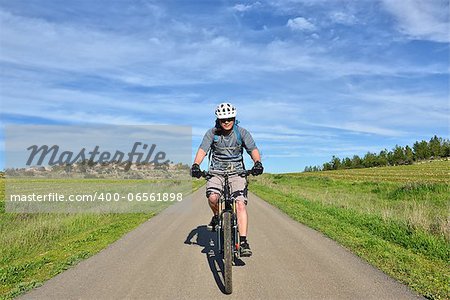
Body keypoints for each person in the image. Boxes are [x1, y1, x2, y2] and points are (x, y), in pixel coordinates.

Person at [191, 102, 263, 257]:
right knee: (213, 197)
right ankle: (217, 216)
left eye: (229, 118)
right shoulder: (212, 133)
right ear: (218, 120)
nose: (226, 122)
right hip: (216, 172)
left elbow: (253, 149)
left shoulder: (242, 133)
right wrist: (196, 164)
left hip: (237, 172)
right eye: (223, 119)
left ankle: (243, 242)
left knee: (240, 204)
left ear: (234, 117)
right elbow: (203, 150)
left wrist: (257, 162)